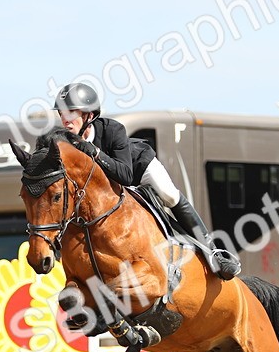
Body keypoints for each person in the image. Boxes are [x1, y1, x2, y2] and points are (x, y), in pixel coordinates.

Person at [53, 82, 241, 280]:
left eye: (72, 112)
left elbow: (125, 175)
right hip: (109, 189)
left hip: (139, 168)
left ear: (89, 115)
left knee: (169, 195)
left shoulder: (112, 130)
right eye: (62, 114)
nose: (66, 119)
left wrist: (97, 153)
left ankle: (214, 253)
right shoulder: (65, 144)